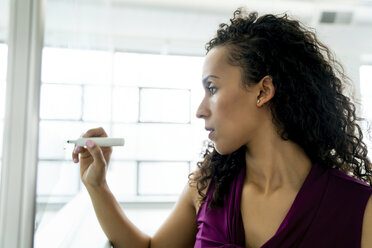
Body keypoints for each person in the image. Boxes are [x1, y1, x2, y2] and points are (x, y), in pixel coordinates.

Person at [71, 8, 372, 248]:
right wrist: (96, 186)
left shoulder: (360, 209)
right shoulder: (207, 186)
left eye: (212, 88)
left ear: (263, 90)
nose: (200, 110)